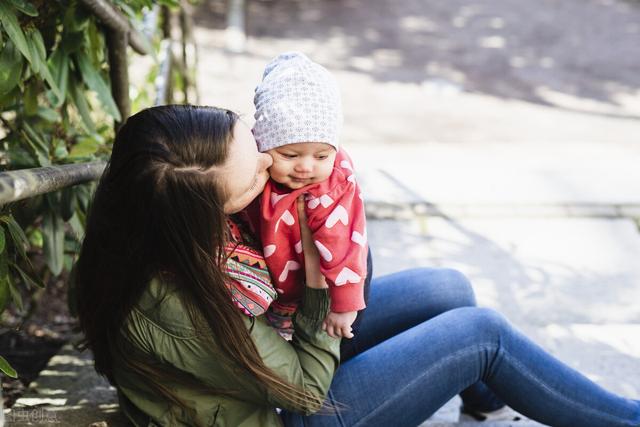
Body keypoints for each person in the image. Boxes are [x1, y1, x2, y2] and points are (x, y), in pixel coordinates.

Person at [74, 104, 640, 427]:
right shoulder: (177, 299)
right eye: (252, 178)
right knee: (480, 335)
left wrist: (327, 228)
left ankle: (493, 396)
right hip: (289, 415)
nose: (271, 167)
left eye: (256, 146)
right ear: (203, 213)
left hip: (270, 351)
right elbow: (305, 391)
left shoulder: (168, 205)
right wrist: (321, 279)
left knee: (448, 288)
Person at [252, 52, 368, 341]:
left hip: (330, 287)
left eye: (321, 155)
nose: (305, 166)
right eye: (289, 155)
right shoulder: (254, 172)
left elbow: (343, 243)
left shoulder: (330, 186)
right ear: (262, 145)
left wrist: (345, 304)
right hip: (280, 288)